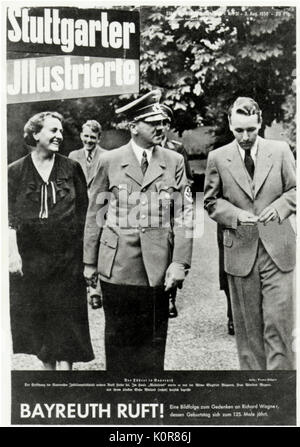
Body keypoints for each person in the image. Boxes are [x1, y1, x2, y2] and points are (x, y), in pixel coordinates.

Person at [83, 90, 193, 373]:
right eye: (152, 122)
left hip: (157, 269)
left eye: (163, 122)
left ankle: (149, 404)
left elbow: (184, 214)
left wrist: (179, 262)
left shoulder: (174, 160)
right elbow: (95, 213)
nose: (160, 127)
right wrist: (89, 263)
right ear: (133, 127)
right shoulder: (109, 160)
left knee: (153, 347)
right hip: (117, 266)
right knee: (118, 342)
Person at [204, 97, 296, 370]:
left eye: (251, 130)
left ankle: (281, 397)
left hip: (278, 251)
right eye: (239, 130)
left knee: (278, 327)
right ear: (230, 125)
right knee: (248, 334)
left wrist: (279, 207)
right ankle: (254, 394)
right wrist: (234, 215)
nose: (245, 137)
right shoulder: (218, 157)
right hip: (241, 253)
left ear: (260, 124)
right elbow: (210, 201)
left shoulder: (280, 151)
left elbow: (295, 190)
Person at [8, 111, 94, 370]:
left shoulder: (71, 168)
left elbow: (84, 215)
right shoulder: (14, 171)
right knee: (39, 317)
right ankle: (48, 375)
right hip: (32, 258)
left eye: (60, 131)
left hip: (67, 258)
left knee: (67, 317)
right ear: (35, 134)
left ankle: (65, 377)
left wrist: (86, 260)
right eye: (52, 130)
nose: (59, 136)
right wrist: (12, 254)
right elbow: (8, 217)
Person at [69, 120, 106, 309]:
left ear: (99, 138)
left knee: (97, 245)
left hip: (99, 208)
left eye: (93, 137)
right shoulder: (73, 156)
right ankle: (86, 285)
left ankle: (94, 290)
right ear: (81, 136)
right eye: (86, 136)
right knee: (82, 245)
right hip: (79, 209)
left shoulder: (107, 157)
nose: (89, 140)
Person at [160, 104, 193, 186]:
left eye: (162, 124)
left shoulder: (177, 148)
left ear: (167, 126)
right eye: (153, 124)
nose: (158, 128)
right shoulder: (144, 148)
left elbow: (187, 179)